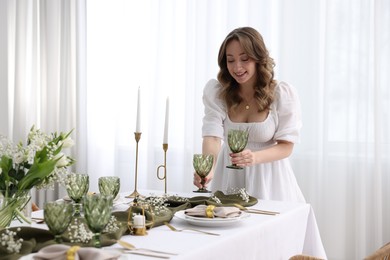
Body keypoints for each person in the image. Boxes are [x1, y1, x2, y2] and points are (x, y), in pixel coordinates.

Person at [194, 27, 305, 202]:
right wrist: (209, 168)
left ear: (258, 59)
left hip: (270, 180)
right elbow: (212, 137)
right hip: (229, 177)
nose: (237, 67)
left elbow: (286, 146)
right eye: (230, 60)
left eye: (244, 59)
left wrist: (254, 157)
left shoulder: (281, 93)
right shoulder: (218, 93)